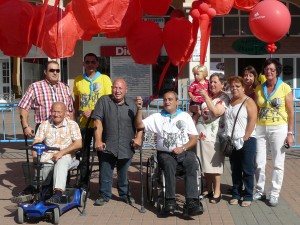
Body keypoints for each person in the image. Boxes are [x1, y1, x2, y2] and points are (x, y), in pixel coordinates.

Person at [135, 91, 203, 216]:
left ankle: (192, 202)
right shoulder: (157, 117)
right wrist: (139, 109)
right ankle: (170, 200)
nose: (167, 102)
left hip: (184, 152)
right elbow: (139, 124)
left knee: (192, 162)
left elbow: (194, 139)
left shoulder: (185, 116)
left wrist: (183, 147)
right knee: (168, 164)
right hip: (165, 153)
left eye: (170, 99)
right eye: (165, 99)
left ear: (177, 102)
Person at [11, 102, 82, 204]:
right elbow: (36, 143)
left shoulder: (72, 124)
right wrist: (35, 159)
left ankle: (57, 194)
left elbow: (78, 143)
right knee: (43, 165)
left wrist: (61, 152)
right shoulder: (44, 125)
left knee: (61, 162)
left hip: (67, 155)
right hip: (48, 156)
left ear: (65, 112)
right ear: (50, 112)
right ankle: (32, 190)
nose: (56, 114)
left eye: (59, 112)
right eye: (54, 111)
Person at [92, 78, 143, 206]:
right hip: (108, 144)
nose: (117, 91)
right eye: (115, 87)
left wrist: (138, 138)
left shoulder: (132, 104)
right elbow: (97, 121)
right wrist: (98, 140)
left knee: (124, 172)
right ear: (111, 88)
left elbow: (140, 125)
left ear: (126, 90)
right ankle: (104, 195)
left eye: (120, 88)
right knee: (105, 171)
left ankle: (124, 194)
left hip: (126, 144)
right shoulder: (104, 101)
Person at [254, 58, 294, 207]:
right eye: (266, 69)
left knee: (278, 163)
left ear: (277, 71)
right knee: (259, 162)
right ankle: (260, 190)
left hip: (279, 128)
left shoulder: (285, 88)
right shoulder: (259, 88)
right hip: (261, 127)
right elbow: (257, 109)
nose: (268, 71)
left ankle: (275, 193)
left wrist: (290, 133)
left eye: (272, 69)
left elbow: (291, 113)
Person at [73, 53, 112, 189]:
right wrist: (76, 116)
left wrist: (95, 112)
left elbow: (108, 103)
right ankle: (83, 184)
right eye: (87, 62)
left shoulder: (104, 79)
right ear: (84, 64)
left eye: (93, 62)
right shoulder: (78, 80)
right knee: (83, 156)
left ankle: (103, 186)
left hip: (99, 125)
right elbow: (76, 103)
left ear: (97, 64)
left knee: (102, 155)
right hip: (84, 124)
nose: (90, 64)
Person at [195, 73, 230, 204]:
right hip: (202, 136)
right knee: (204, 165)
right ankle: (208, 188)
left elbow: (216, 112)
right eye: (211, 82)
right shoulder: (210, 96)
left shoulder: (224, 98)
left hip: (213, 137)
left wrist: (205, 96)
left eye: (215, 82)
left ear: (222, 84)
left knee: (214, 167)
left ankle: (217, 191)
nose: (212, 84)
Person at [19, 60, 74, 138]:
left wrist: (73, 128)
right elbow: (23, 107)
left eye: (57, 70)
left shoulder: (65, 87)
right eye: (51, 70)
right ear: (45, 72)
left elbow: (70, 110)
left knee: (65, 150)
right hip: (44, 129)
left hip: (64, 130)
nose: (55, 73)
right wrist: (25, 126)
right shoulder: (35, 87)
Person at [224, 76, 257, 207]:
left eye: (237, 86)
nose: (234, 89)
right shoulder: (230, 101)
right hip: (232, 141)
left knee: (247, 169)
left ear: (243, 87)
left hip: (246, 140)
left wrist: (246, 137)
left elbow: (252, 120)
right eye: (232, 86)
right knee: (235, 169)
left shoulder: (249, 101)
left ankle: (248, 195)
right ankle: (236, 194)